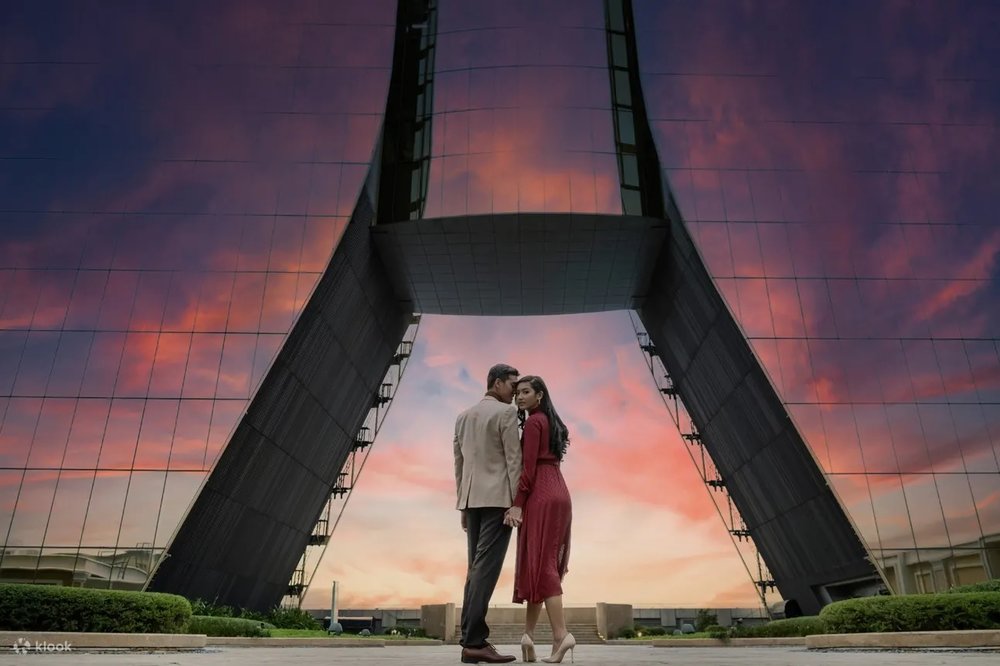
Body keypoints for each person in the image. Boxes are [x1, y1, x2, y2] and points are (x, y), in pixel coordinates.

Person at [454, 363, 523, 664]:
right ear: (496, 384)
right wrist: (517, 503)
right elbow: (513, 460)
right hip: (498, 501)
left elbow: (459, 463)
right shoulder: (506, 413)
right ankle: (474, 641)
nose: (516, 393)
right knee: (485, 569)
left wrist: (462, 506)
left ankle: (471, 640)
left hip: (472, 500)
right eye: (512, 385)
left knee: (475, 569)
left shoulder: (463, 416)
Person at [504, 375, 574, 664]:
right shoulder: (552, 421)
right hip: (559, 491)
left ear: (540, 395)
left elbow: (528, 470)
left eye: (525, 392)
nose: (519, 397)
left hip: (541, 497)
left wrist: (517, 505)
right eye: (517, 393)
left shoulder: (534, 422)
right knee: (539, 564)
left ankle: (561, 636)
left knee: (542, 566)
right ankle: (528, 637)